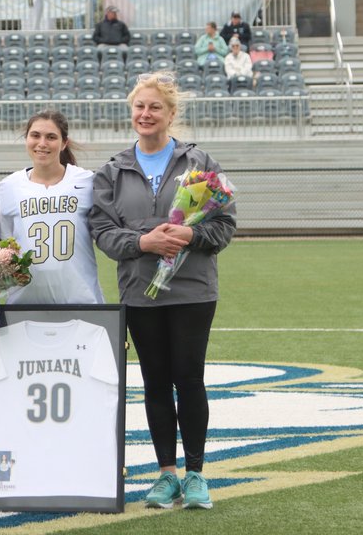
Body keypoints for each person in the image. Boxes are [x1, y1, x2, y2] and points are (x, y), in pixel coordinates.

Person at [89, 72, 236, 512]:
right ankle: (165, 474)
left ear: (171, 115)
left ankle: (195, 475)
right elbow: (101, 231)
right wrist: (143, 242)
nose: (145, 114)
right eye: (139, 107)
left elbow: (224, 225)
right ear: (130, 112)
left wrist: (190, 238)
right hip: (140, 294)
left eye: (155, 107)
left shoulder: (200, 162)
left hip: (192, 291)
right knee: (154, 382)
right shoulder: (112, 171)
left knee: (189, 379)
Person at [0, 110, 104, 305]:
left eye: (51, 137)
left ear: (64, 142)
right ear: (26, 139)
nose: (42, 143)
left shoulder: (86, 182)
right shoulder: (8, 187)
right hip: (24, 304)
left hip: (81, 300)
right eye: (35, 135)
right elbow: (5, 248)